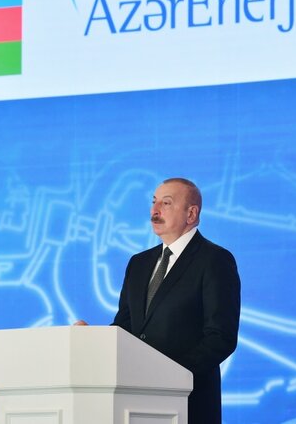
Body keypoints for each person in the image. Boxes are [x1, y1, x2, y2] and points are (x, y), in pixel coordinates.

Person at [94, 177, 241, 424]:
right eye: (154, 202)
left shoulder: (214, 260)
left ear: (191, 214)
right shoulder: (138, 263)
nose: (155, 210)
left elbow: (220, 337)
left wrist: (171, 376)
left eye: (166, 203)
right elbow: (125, 327)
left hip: (189, 403)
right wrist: (93, 340)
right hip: (135, 404)